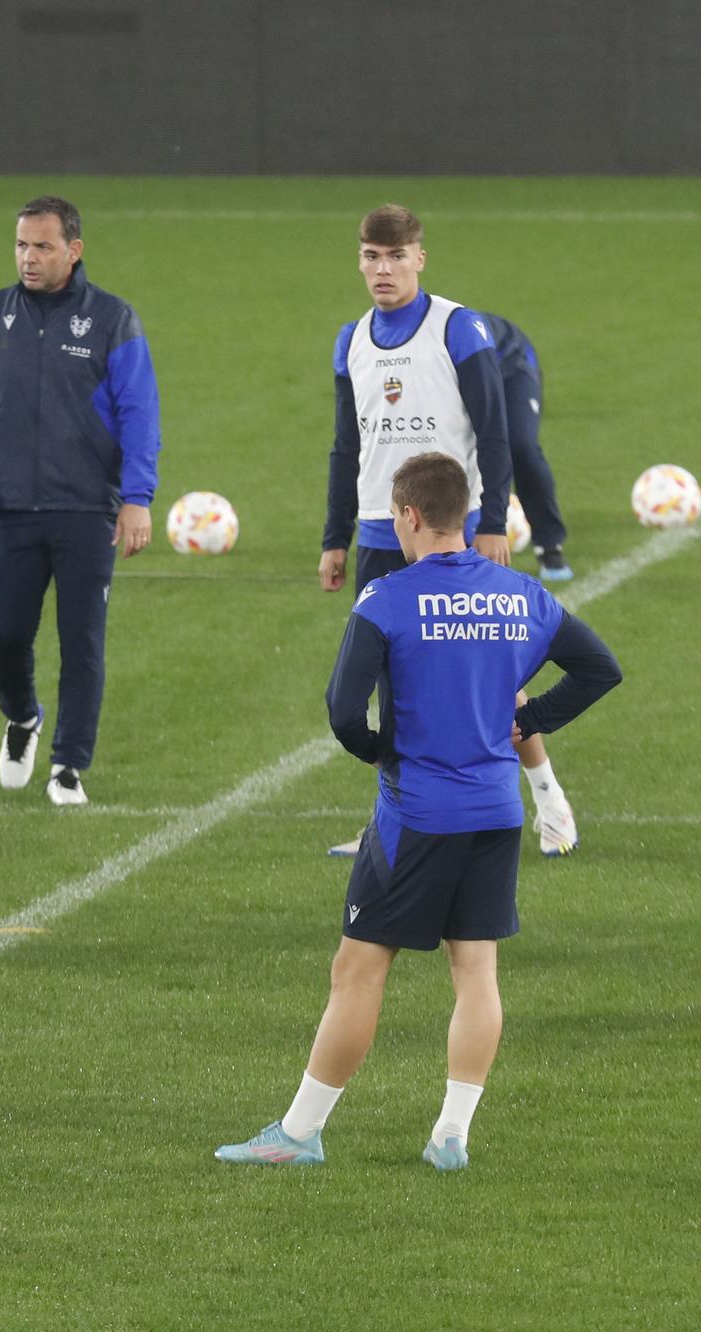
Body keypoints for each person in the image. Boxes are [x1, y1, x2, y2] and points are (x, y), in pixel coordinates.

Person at [217, 453, 620, 1171]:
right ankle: (451, 1135)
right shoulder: (520, 594)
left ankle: (300, 1132)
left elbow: (343, 710)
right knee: (477, 971)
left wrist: (379, 750)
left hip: (418, 816)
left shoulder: (387, 599)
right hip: (495, 811)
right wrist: (525, 726)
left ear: (407, 515)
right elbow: (599, 669)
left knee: (360, 966)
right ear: (463, 515)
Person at [319, 205, 578, 858]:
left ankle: (549, 799)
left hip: (454, 535)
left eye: (396, 255)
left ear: (419, 258)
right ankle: (390, 820)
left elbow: (494, 431)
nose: (383, 269)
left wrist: (491, 522)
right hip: (384, 537)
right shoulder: (350, 340)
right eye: (372, 256)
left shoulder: (457, 330)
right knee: (393, 690)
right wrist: (335, 536)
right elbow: (345, 447)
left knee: (490, 684)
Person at [0, 195, 160, 806]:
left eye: (42, 246)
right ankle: (23, 717)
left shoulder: (113, 320)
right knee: (3, 638)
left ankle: (68, 765)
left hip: (88, 509)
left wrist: (137, 497)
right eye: (20, 245)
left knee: (82, 640)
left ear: (74, 250)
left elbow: (139, 414)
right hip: (6, 508)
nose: (29, 258)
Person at [476, 311, 572, 583]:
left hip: (512, 367)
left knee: (520, 446)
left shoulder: (459, 340)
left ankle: (549, 544)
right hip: (475, 377)